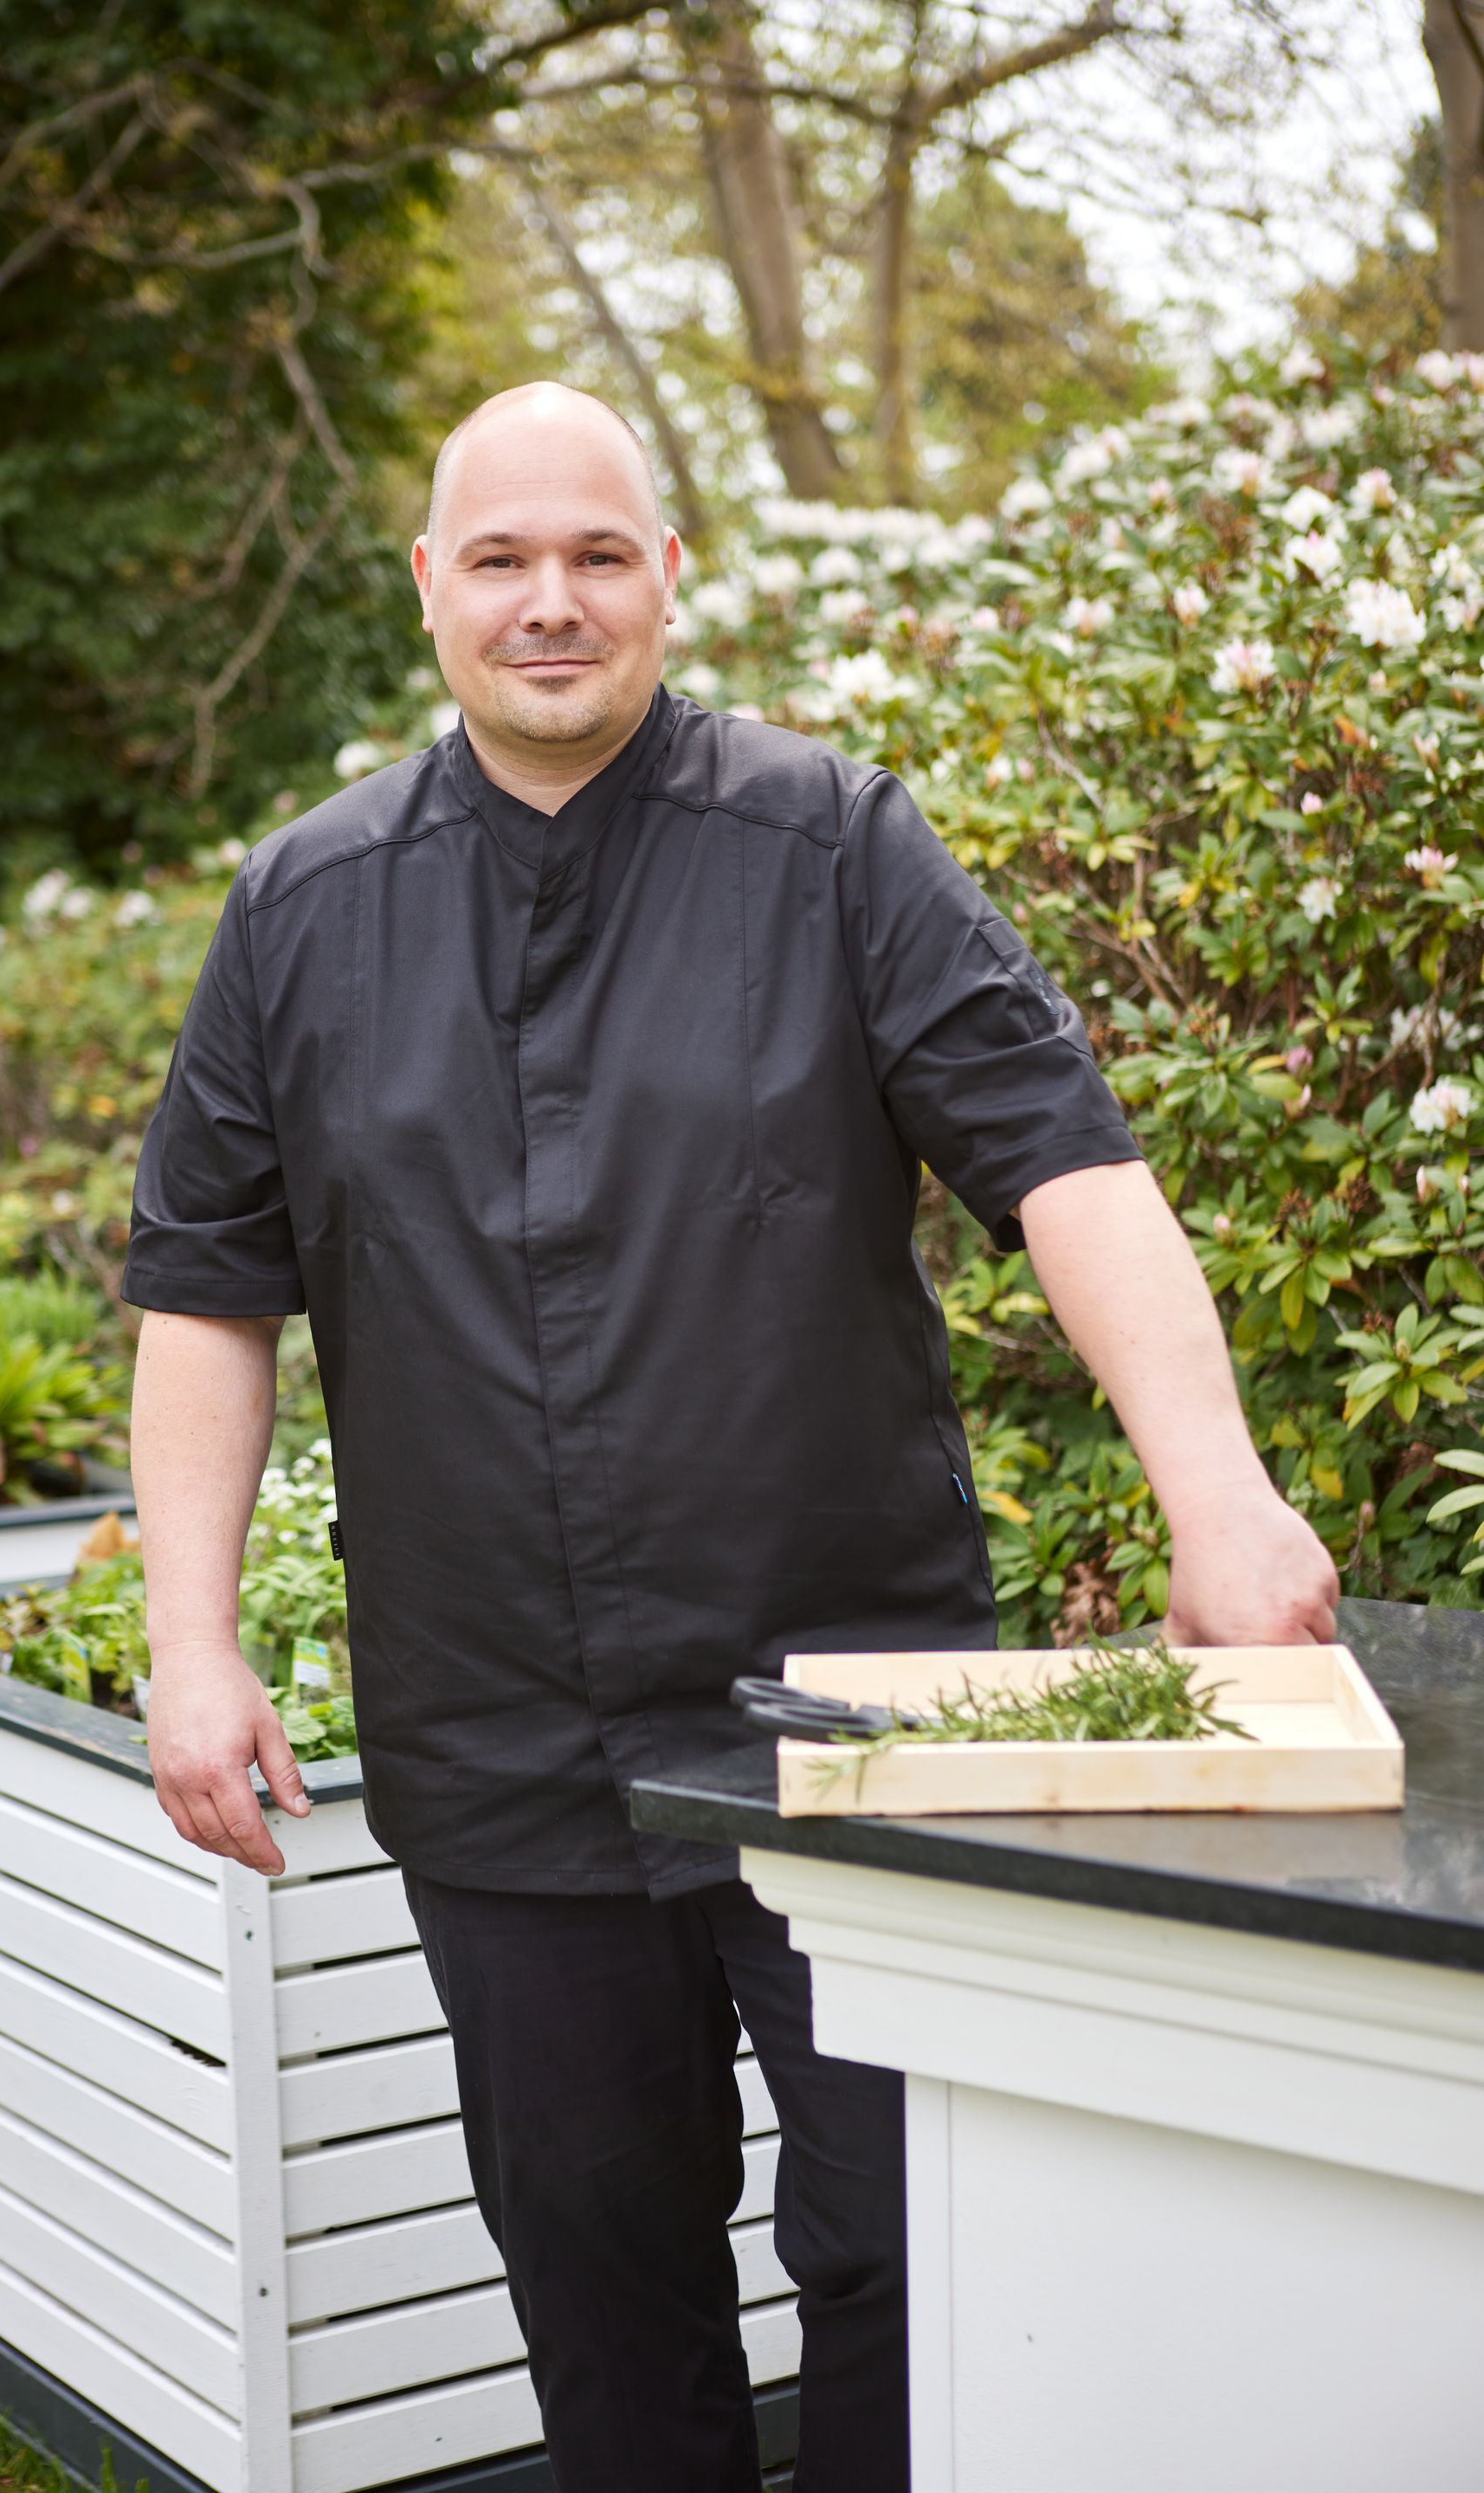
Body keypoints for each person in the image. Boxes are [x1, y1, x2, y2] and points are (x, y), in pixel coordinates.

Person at [122, 382, 1338, 2493]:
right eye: (499, 559)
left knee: (909, 2258)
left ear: (672, 575)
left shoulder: (834, 843)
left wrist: (1219, 1501)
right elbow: (209, 1293)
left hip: (851, 1718)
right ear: (429, 588)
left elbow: (1070, 1167)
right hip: (498, 1746)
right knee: (602, 2287)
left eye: (598, 553)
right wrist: (191, 1638)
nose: (551, 602)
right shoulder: (301, 910)